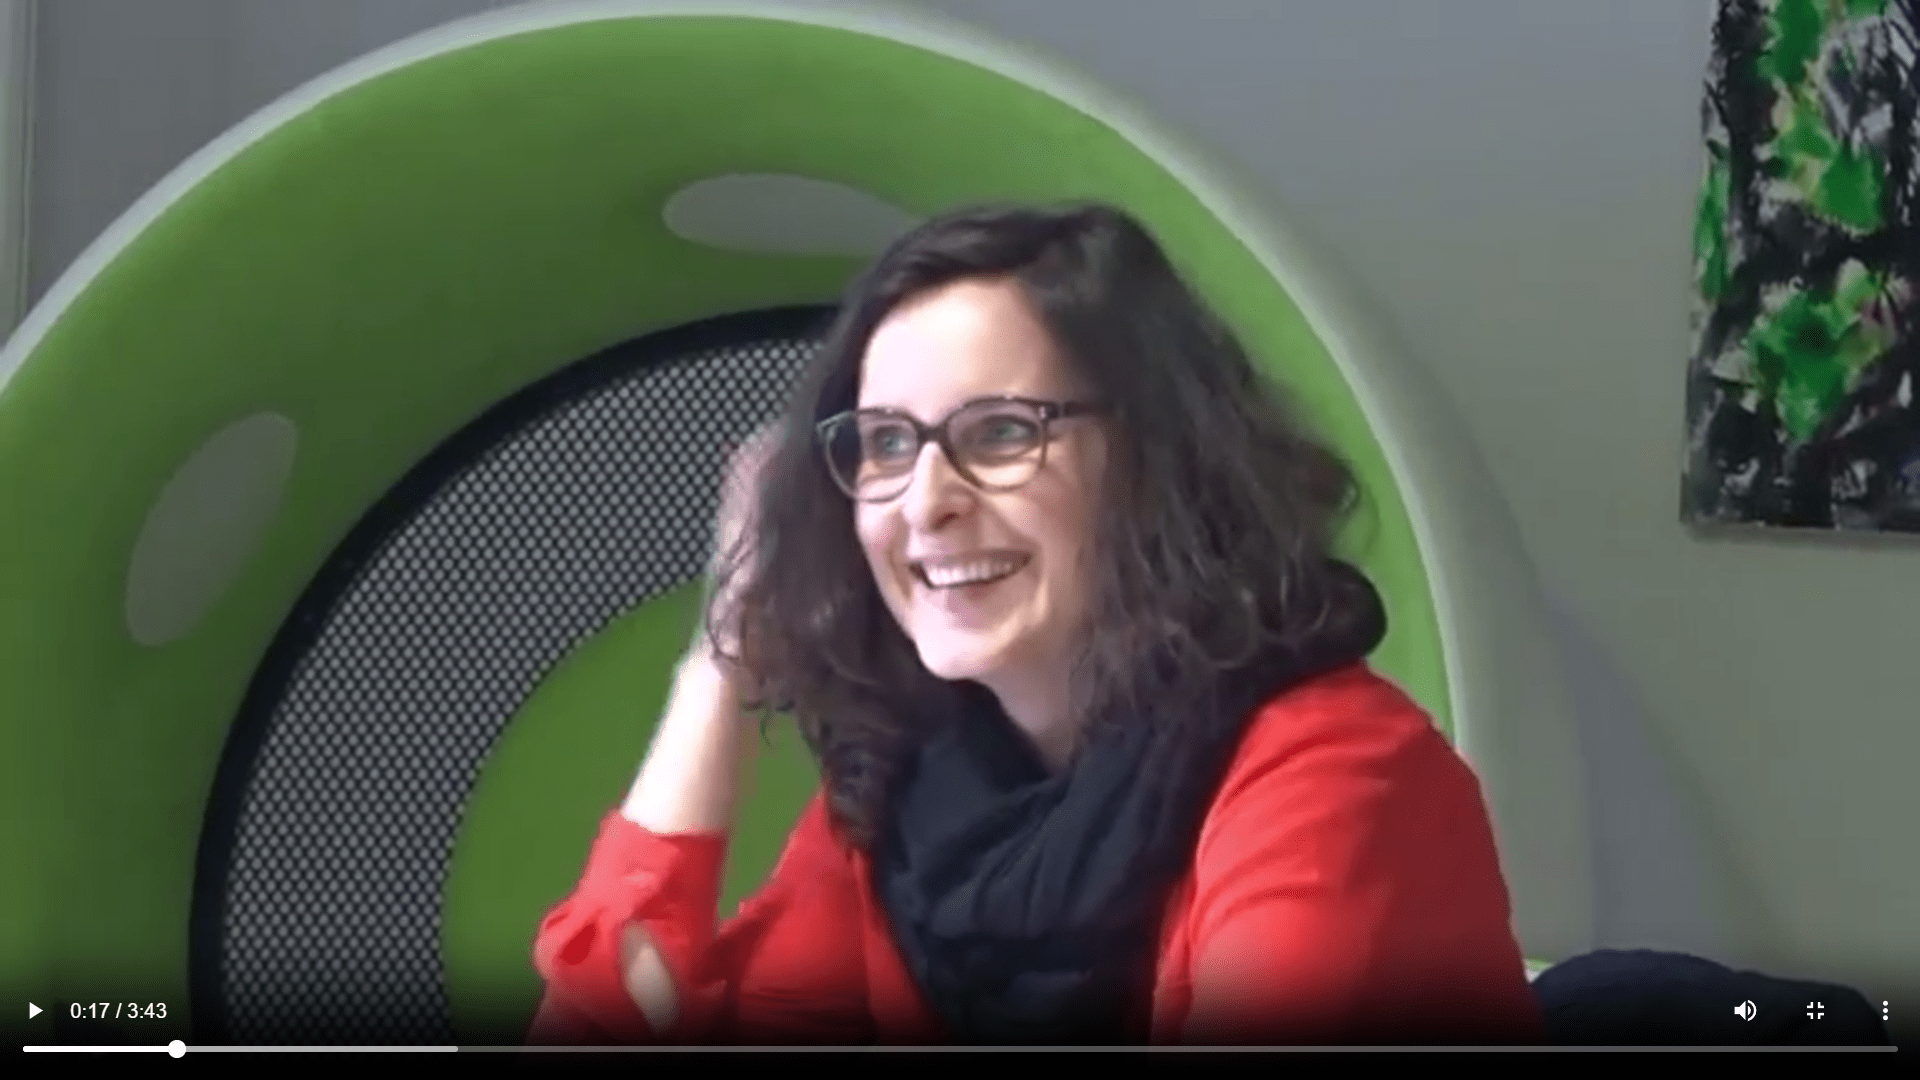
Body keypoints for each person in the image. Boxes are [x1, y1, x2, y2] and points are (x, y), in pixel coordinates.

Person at [525, 202, 1545, 1046]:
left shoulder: (1333, 776)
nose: (926, 502)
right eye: (887, 443)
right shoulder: (904, 802)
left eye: (1002, 432)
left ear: (1154, 460)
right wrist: (727, 649)